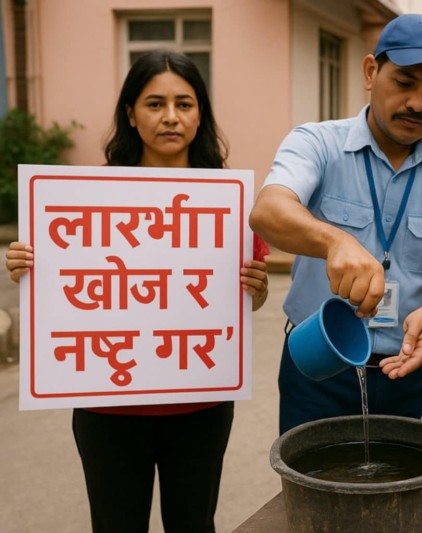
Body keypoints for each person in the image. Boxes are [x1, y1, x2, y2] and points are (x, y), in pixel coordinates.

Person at [4, 50, 269, 533]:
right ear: (130, 113)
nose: (171, 117)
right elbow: (63, 287)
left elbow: (248, 298)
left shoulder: (227, 203)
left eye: (185, 104)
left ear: (201, 113)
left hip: (201, 405)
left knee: (193, 524)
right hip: (107, 406)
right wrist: (27, 266)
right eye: (154, 103)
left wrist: (258, 288)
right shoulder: (80, 199)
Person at [249, 14, 422, 434]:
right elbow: (268, 211)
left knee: (421, 495)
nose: (418, 103)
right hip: (320, 365)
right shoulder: (317, 143)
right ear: (370, 72)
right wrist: (334, 241)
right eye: (404, 82)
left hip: (412, 366)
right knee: (315, 496)